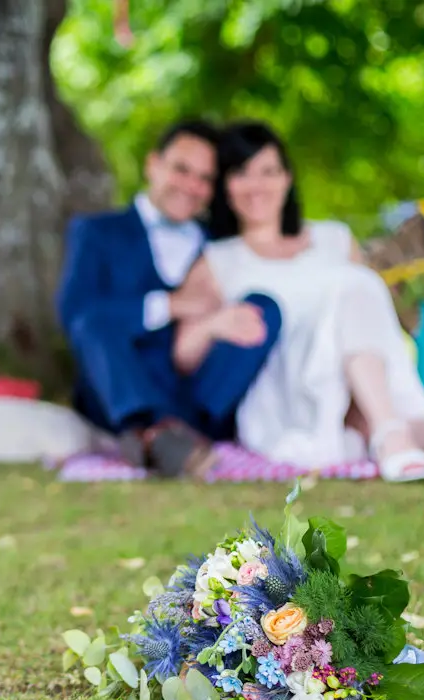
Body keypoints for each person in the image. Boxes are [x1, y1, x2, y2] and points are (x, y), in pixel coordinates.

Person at [172, 121, 424, 491]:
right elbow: (183, 355)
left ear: (287, 178)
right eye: (242, 173)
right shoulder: (217, 260)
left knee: (365, 327)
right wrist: (213, 324)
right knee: (355, 286)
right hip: (283, 392)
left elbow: (373, 322)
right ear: (225, 185)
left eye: (269, 171)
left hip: (355, 378)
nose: (258, 186)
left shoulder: (333, 237)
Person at [55, 120, 282, 478]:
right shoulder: (97, 232)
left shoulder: (220, 244)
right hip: (122, 390)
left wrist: (214, 322)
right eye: (181, 169)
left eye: (205, 179)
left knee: (262, 308)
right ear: (153, 165)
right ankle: (153, 431)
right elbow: (73, 315)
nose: (192, 186)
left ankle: (183, 436)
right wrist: (170, 305)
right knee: (92, 320)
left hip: (196, 393)